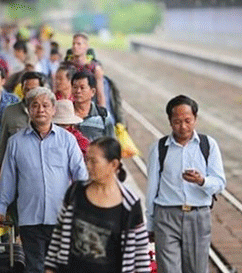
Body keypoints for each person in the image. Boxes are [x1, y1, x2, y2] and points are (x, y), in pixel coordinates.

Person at [0, 87, 88, 273]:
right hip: (30, 218)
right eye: (35, 105)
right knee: (35, 267)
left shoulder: (67, 140)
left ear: (53, 110)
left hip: (61, 218)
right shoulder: (16, 142)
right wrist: (1, 207)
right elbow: (8, 178)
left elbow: (81, 175)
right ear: (29, 109)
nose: (41, 109)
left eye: (45, 105)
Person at [45, 137, 151, 273]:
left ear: (113, 165)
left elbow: (140, 255)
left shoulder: (129, 204)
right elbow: (58, 237)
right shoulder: (75, 193)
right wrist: (50, 269)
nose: (88, 166)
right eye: (87, 160)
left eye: (94, 161)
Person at [145, 95, 226, 273]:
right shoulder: (159, 148)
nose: (183, 127)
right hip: (166, 216)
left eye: (188, 121)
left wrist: (201, 181)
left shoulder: (208, 145)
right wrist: (150, 225)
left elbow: (220, 182)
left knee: (197, 269)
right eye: (177, 122)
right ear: (169, 121)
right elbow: (152, 189)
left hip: (198, 216)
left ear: (195, 119)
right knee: (168, 269)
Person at [0, 71, 46, 164]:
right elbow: (3, 144)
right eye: (27, 89)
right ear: (22, 89)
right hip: (16, 165)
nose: (30, 93)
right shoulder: (10, 111)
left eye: (34, 90)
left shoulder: (48, 112)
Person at [72, 71, 114, 141]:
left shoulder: (103, 116)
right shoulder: (65, 113)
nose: (78, 91)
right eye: (75, 87)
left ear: (93, 92)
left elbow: (111, 144)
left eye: (82, 88)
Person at [67, 33, 106, 107]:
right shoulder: (66, 66)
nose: (75, 46)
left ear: (86, 46)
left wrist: (103, 113)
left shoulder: (94, 68)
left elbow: (100, 95)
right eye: (73, 44)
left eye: (79, 44)